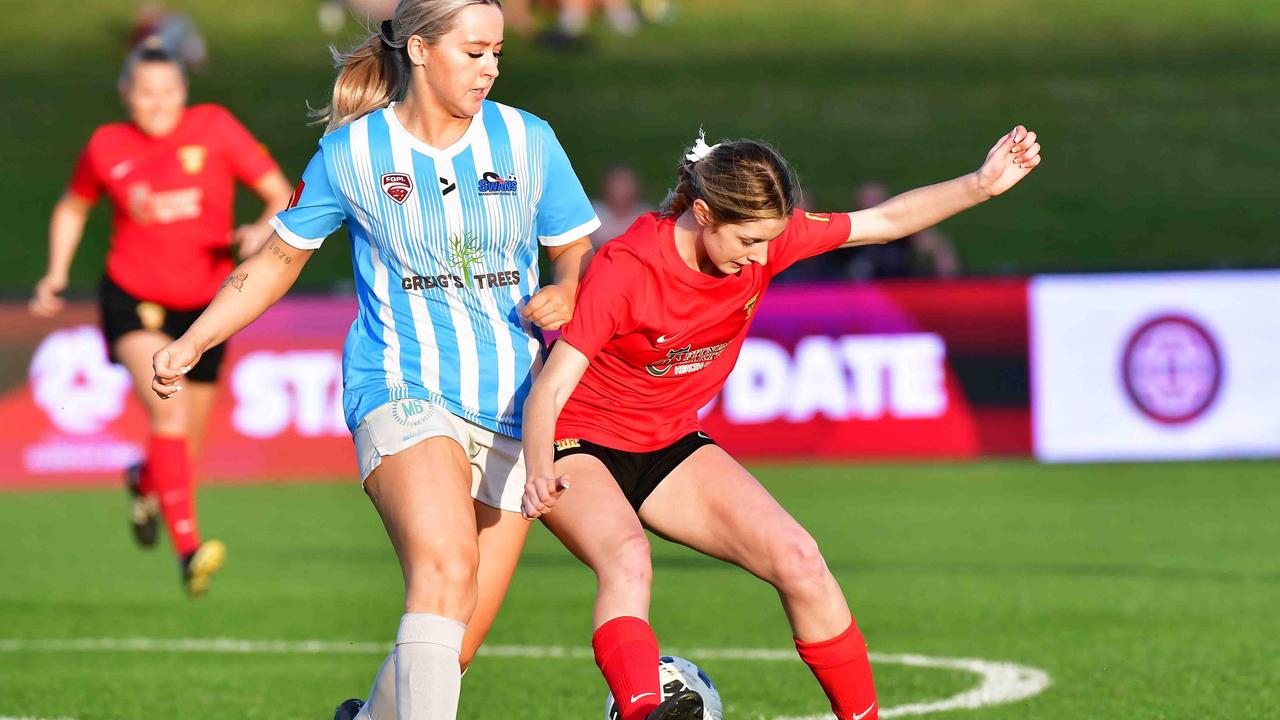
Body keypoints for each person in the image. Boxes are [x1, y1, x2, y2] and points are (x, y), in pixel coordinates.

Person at [148, 2, 640, 719]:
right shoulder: (351, 154)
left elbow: (571, 247)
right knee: (444, 570)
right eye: (475, 53)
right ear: (418, 49)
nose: (491, 68)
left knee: (455, 638)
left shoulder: (528, 139)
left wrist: (566, 289)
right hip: (401, 387)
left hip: (513, 403)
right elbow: (280, 257)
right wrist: (195, 338)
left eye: (498, 52)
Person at [520, 126, 1042, 720]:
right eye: (747, 240)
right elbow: (552, 388)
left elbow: (884, 222)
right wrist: (538, 471)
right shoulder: (628, 266)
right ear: (703, 212)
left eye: (771, 240)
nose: (762, 258)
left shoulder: (765, 238)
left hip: (668, 443)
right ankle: (641, 711)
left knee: (798, 557)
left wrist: (980, 185)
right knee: (627, 559)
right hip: (577, 442)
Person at [29, 37, 292, 597]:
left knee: (181, 455)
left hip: (208, 309)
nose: (158, 104)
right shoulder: (106, 145)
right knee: (167, 417)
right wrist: (55, 272)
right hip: (133, 300)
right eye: (146, 93)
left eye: (168, 91)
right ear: (127, 94)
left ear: (184, 91)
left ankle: (142, 480)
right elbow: (74, 207)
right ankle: (189, 552)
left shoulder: (216, 128)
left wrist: (260, 230)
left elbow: (278, 193)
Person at [590, 165, 652, 248]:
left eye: (626, 184)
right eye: (617, 183)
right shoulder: (595, 214)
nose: (621, 189)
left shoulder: (645, 215)